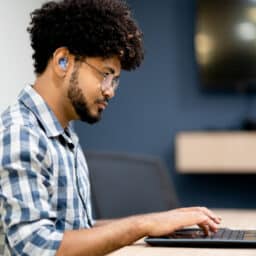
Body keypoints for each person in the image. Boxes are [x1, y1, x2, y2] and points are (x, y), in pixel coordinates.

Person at [0, 0, 221, 255]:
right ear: (62, 62)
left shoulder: (63, 136)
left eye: (115, 81)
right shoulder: (21, 134)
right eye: (105, 74)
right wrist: (142, 224)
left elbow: (77, 230)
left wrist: (156, 223)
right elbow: (35, 248)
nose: (110, 91)